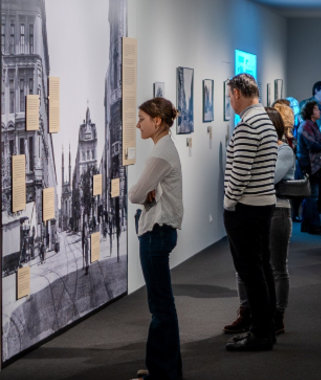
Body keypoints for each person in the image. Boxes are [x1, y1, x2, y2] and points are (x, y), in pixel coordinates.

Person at [223, 107, 295, 337]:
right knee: (246, 266)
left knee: (275, 267)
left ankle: (276, 315)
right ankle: (248, 312)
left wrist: (245, 172)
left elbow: (266, 178)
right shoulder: (265, 151)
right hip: (256, 210)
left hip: (277, 212)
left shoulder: (283, 151)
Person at [128, 97, 183, 380]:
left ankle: (163, 372)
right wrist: (148, 191)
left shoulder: (161, 153)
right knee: (162, 304)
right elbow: (145, 191)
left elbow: (135, 194)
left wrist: (144, 192)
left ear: (157, 121)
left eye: (142, 119)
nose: (138, 124)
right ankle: (166, 368)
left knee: (160, 306)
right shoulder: (165, 148)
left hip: (156, 232)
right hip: (160, 230)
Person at [223, 73, 278, 351]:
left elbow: (239, 174)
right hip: (263, 204)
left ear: (237, 94)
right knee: (262, 269)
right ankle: (266, 328)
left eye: (229, 96)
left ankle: (260, 333)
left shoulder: (247, 126)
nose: (229, 102)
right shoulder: (266, 121)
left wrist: (228, 202)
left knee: (251, 272)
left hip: (247, 208)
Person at [297, 101, 321, 234]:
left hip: (314, 166)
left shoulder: (313, 125)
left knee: (311, 196)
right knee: (312, 197)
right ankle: (314, 226)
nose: (319, 111)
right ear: (310, 112)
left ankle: (308, 225)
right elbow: (313, 144)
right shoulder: (305, 126)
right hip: (309, 166)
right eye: (316, 109)